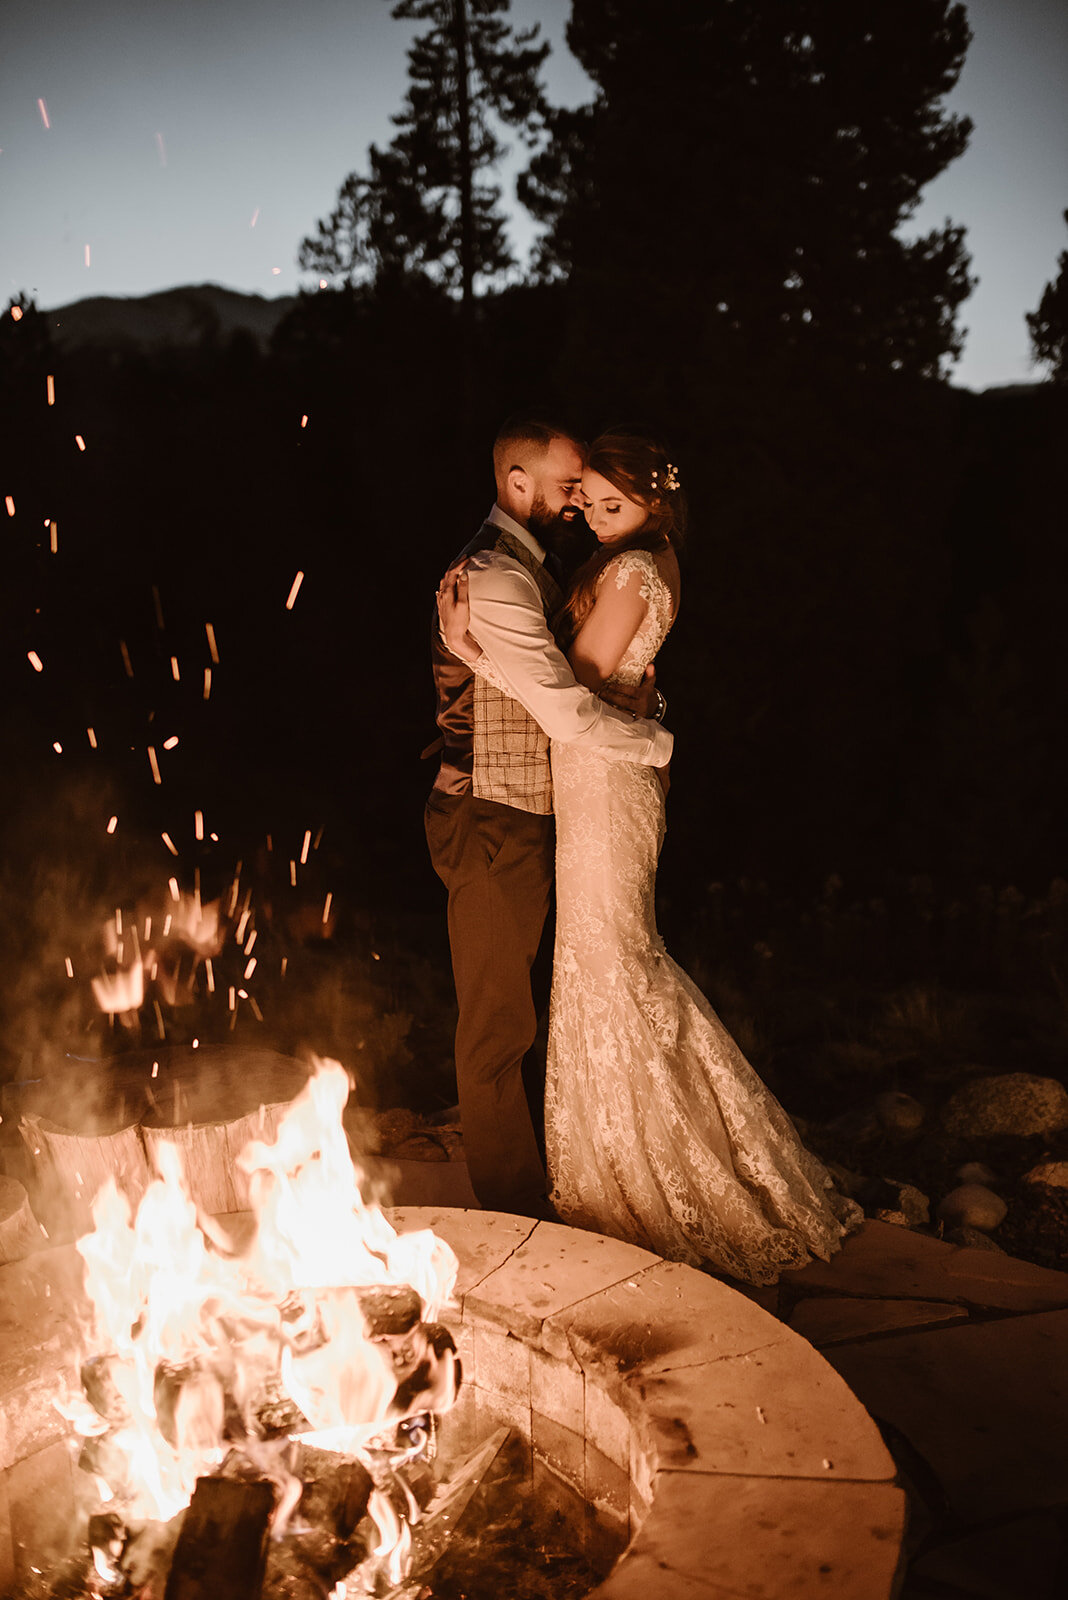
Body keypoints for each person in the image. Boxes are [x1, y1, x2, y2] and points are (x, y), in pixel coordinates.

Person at [440, 430, 859, 1286]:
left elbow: (578, 692)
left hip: (604, 778)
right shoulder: (630, 561)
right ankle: (617, 1163)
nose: (590, 515)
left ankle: (654, 1171)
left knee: (615, 962)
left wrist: (475, 653)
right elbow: (594, 685)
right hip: (595, 773)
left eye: (609, 503)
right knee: (607, 962)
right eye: (587, 499)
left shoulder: (631, 571)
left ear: (654, 504)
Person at [425, 417, 672, 1221]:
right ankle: (515, 1211)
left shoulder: (539, 563)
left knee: (538, 1008)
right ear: (516, 482)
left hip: (524, 811)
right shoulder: (493, 576)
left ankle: (574, 1169)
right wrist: (654, 740)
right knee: (498, 1025)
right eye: (569, 488)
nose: (578, 504)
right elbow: (564, 711)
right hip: (491, 815)